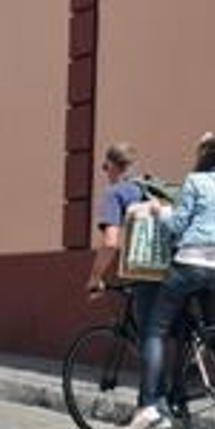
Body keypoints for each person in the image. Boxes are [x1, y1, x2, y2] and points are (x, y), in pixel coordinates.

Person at [122, 131, 215, 429]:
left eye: (199, 147)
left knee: (154, 331)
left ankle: (149, 408)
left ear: (207, 153)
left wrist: (159, 211)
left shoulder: (195, 181)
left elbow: (178, 224)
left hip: (189, 264)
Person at [86, 142, 157, 334]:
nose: (105, 172)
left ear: (111, 165)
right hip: (179, 264)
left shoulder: (115, 192)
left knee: (149, 339)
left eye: (105, 167)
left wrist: (95, 278)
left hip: (148, 270)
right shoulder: (150, 187)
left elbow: (110, 242)